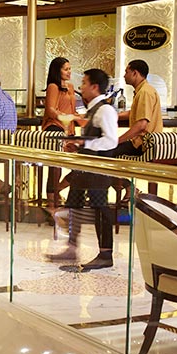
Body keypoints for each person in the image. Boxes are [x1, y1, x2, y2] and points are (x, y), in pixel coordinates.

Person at [47, 68, 118, 271]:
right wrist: (78, 146)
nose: (81, 87)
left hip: (98, 169)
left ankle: (105, 254)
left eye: (85, 83)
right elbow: (94, 138)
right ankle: (71, 248)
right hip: (85, 168)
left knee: (100, 209)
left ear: (95, 87)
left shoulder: (105, 110)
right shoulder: (93, 109)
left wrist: (84, 144)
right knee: (74, 203)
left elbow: (110, 141)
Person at [41, 57, 78, 211]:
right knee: (55, 167)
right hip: (55, 128)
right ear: (58, 71)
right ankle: (52, 202)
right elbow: (50, 110)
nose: (69, 72)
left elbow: (73, 110)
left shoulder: (71, 87)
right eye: (66, 69)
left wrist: (80, 118)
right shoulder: (53, 86)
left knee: (78, 165)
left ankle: (57, 191)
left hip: (69, 129)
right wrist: (66, 117)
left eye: (70, 69)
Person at [113, 59, 163, 157]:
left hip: (142, 145)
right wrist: (113, 116)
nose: (124, 76)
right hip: (145, 144)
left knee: (105, 152)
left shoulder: (144, 92)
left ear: (135, 73)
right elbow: (134, 113)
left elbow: (141, 125)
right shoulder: (144, 90)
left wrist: (118, 141)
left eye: (126, 72)